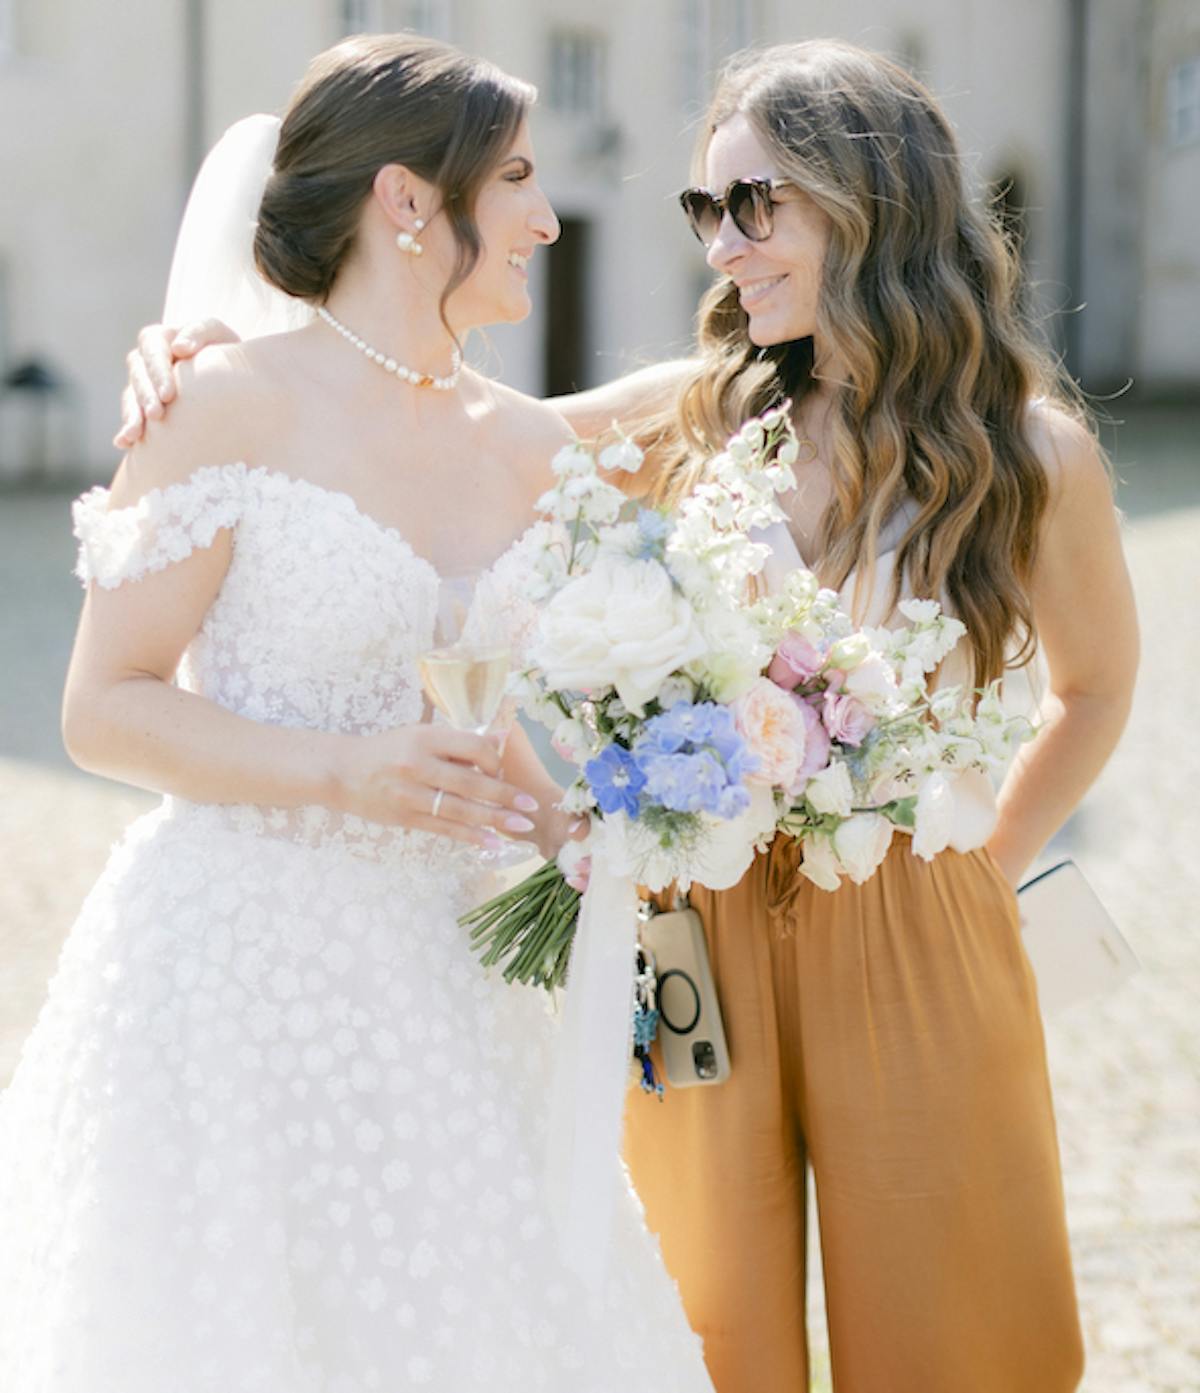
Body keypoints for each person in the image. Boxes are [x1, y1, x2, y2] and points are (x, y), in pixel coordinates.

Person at [115, 38, 1139, 1393]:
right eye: (707, 210)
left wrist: (980, 874)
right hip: (680, 930)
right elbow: (439, 416)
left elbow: (1097, 686)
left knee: (959, 1325)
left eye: (754, 204)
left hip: (918, 914)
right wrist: (214, 350)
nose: (724, 246)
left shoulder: (1029, 453)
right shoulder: (692, 419)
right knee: (701, 1319)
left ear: (870, 197)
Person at [0, 34, 714, 1393]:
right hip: (242, 979)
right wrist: (337, 769)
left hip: (457, 973)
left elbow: (489, 709)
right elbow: (102, 707)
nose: (547, 217)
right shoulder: (218, 407)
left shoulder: (522, 445)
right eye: (512, 177)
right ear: (405, 203)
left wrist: (592, 829)